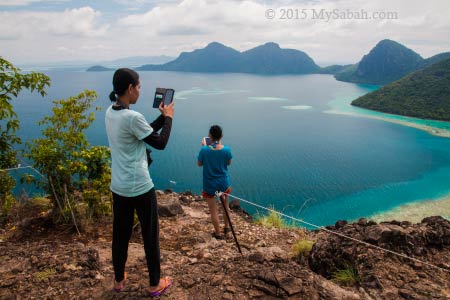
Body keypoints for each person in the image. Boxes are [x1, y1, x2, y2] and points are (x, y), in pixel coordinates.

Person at [105, 68, 174, 297]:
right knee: (150, 235)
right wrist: (170, 118)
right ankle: (155, 285)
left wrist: (162, 117)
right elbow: (160, 143)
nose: (140, 91)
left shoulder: (111, 113)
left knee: (120, 234)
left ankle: (118, 280)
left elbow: (143, 132)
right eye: (139, 87)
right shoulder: (133, 117)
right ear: (130, 88)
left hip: (120, 186)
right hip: (141, 188)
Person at [197, 125, 233, 239]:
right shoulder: (227, 149)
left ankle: (218, 234)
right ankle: (227, 228)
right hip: (223, 183)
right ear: (221, 136)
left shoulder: (204, 150)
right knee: (225, 206)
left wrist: (206, 146)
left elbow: (199, 164)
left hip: (210, 184)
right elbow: (228, 163)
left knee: (213, 210)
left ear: (209, 135)